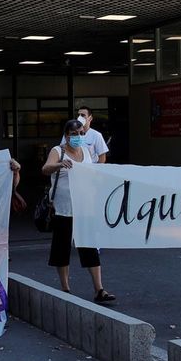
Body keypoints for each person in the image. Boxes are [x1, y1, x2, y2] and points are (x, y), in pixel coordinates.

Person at [41, 119, 115, 305]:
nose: (78, 137)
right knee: (62, 247)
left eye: (81, 133)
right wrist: (59, 165)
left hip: (84, 207)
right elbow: (45, 169)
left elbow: (92, 172)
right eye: (74, 134)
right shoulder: (58, 151)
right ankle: (65, 288)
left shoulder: (87, 151)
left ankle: (99, 288)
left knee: (89, 246)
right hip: (64, 208)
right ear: (66, 135)